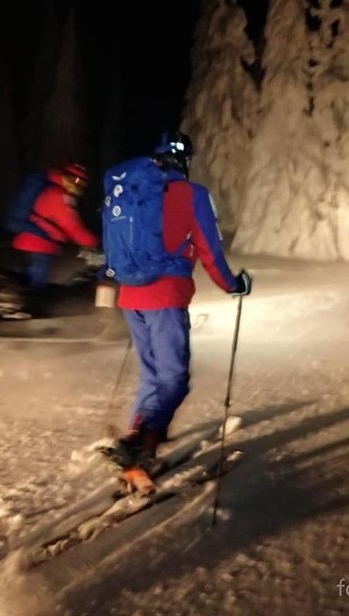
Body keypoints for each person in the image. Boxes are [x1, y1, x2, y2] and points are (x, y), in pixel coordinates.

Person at [111, 131, 252, 475]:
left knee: (152, 376)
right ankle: (141, 443)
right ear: (185, 162)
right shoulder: (193, 194)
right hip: (166, 295)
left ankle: (138, 434)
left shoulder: (134, 193)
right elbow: (209, 250)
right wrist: (233, 285)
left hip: (130, 295)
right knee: (174, 379)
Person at [7, 163, 100, 317]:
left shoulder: (53, 191)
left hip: (30, 241)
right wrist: (94, 242)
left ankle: (21, 304)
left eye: (81, 183)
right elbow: (72, 227)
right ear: (66, 177)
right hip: (37, 243)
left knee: (32, 279)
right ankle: (30, 311)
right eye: (75, 180)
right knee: (36, 282)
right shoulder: (59, 196)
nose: (78, 186)